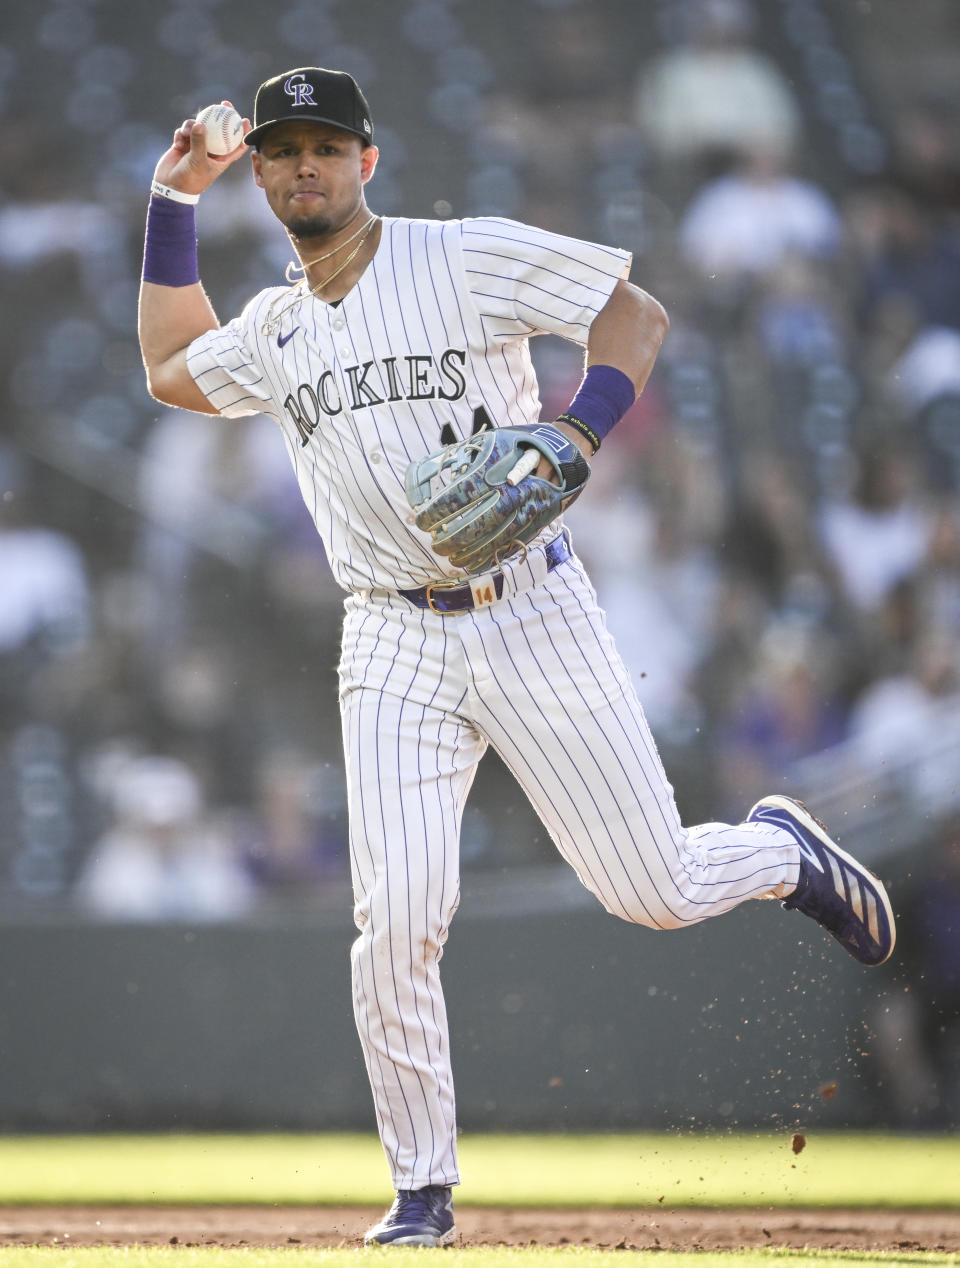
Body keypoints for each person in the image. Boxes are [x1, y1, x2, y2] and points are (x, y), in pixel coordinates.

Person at [137, 66, 895, 1248]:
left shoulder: (459, 255)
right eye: (282, 151)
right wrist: (172, 197)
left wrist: (573, 427)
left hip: (533, 608)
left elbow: (635, 315)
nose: (301, 167)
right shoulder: (276, 329)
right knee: (396, 914)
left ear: (366, 161)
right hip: (387, 629)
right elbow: (172, 368)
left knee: (651, 891)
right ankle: (422, 1189)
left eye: (324, 147)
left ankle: (776, 852)